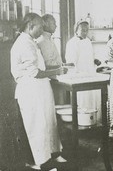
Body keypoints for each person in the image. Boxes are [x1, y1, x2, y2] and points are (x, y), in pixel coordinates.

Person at [10, 13, 67, 170]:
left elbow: (41, 67)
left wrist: (57, 68)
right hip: (31, 90)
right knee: (37, 126)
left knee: (47, 122)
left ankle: (51, 155)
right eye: (40, 26)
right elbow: (35, 73)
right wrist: (58, 72)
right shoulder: (24, 44)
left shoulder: (31, 41)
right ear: (30, 26)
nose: (43, 29)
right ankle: (42, 162)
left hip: (40, 89)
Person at [65, 19, 101, 119]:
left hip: (90, 75)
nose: (85, 32)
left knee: (92, 100)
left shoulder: (88, 41)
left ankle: (94, 121)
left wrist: (94, 60)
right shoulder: (72, 43)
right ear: (76, 30)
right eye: (82, 30)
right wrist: (77, 75)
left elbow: (88, 57)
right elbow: (71, 63)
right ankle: (82, 122)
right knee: (82, 102)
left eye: (87, 30)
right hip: (79, 77)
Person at [36, 14, 67, 105]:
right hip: (50, 79)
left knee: (60, 104)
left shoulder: (49, 39)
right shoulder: (43, 41)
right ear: (46, 24)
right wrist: (60, 67)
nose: (56, 26)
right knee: (57, 105)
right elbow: (47, 63)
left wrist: (63, 65)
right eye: (54, 23)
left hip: (56, 77)